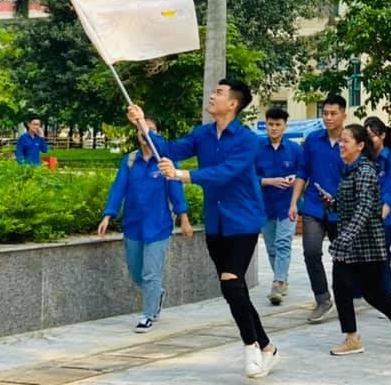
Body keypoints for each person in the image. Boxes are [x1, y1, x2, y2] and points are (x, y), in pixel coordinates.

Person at [128, 80, 279, 380]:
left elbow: (226, 173)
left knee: (232, 282)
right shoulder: (203, 134)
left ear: (233, 104)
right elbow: (170, 149)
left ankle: (251, 347)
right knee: (233, 290)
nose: (212, 95)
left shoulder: (248, 140)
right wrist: (143, 126)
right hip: (216, 222)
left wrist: (183, 175)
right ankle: (267, 346)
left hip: (243, 221)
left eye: (219, 93)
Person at [323, 124, 391, 355]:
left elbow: (364, 208)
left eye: (346, 141)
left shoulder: (364, 170)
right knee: (341, 287)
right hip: (351, 241)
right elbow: (354, 204)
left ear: (360, 145)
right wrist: (332, 202)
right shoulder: (350, 169)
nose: (341, 145)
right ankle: (352, 337)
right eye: (341, 141)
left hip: (366, 241)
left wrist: (345, 238)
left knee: (372, 292)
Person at [98, 117, 193, 332]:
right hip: (133, 224)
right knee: (135, 272)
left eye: (151, 130)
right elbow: (118, 189)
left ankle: (147, 315)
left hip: (158, 226)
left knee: (151, 272)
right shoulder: (130, 161)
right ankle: (156, 293)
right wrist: (108, 215)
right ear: (136, 134)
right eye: (142, 129)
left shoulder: (166, 161)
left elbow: (176, 190)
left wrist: (184, 217)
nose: (146, 133)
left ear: (157, 134)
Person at [289, 94, 347, 323]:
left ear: (344, 114)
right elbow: (303, 172)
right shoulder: (313, 140)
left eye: (333, 113)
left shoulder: (351, 140)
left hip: (341, 210)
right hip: (313, 206)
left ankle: (345, 296)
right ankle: (322, 298)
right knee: (311, 252)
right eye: (325, 113)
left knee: (342, 257)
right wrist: (294, 201)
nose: (328, 117)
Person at [255, 107, 304, 305]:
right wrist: (269, 181)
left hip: (287, 204)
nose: (274, 128)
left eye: (278, 124)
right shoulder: (257, 148)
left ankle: (278, 281)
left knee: (283, 242)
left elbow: (304, 175)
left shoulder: (295, 149)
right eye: (270, 124)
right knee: (271, 245)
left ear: (285, 126)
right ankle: (282, 279)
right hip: (265, 205)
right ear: (265, 124)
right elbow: (248, 177)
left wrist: (295, 179)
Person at [364, 116, 391, 296]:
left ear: (382, 136)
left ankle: (384, 295)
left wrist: (381, 214)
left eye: (372, 136)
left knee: (382, 256)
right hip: (365, 214)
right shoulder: (364, 158)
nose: (368, 141)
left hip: (384, 216)